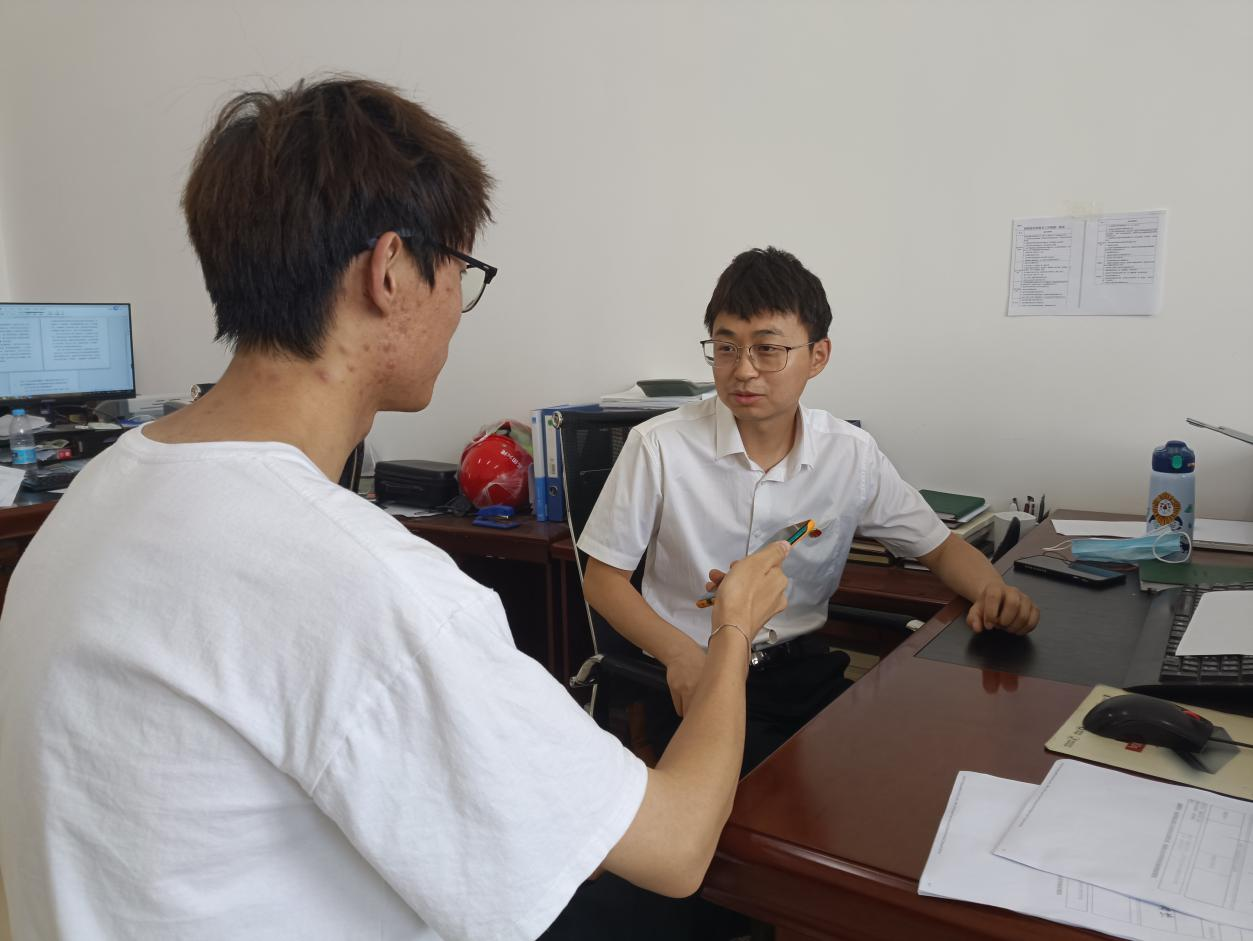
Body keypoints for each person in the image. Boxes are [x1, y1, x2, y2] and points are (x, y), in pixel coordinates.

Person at [0, 78, 792, 941]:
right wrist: (731, 627)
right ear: (388, 271)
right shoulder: (364, 583)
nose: (458, 306)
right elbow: (675, 847)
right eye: (459, 271)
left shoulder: (98, 491)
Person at [580, 246, 1040, 772]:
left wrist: (993, 593)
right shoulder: (658, 446)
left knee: (901, 766)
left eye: (767, 349)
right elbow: (603, 581)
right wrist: (679, 656)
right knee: (771, 797)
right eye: (726, 348)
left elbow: (940, 548)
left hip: (799, 672)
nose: (743, 370)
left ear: (817, 356)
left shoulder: (849, 454)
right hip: (694, 672)